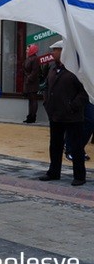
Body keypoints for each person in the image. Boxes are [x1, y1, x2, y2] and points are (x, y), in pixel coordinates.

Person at [39, 40, 88, 186]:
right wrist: (47, 103)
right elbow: (47, 87)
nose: (53, 53)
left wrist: (72, 106)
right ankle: (54, 172)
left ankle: (79, 176)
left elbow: (84, 92)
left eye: (55, 50)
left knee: (76, 146)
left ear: (64, 51)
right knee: (55, 145)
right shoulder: (53, 68)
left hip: (72, 116)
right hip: (55, 115)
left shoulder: (76, 70)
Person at [23, 43, 41, 123]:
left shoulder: (35, 59)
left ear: (32, 50)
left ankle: (33, 117)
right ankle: (30, 116)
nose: (26, 51)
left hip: (32, 83)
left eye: (27, 49)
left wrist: (29, 78)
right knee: (30, 100)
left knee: (33, 99)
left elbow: (35, 71)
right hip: (28, 82)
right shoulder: (28, 58)